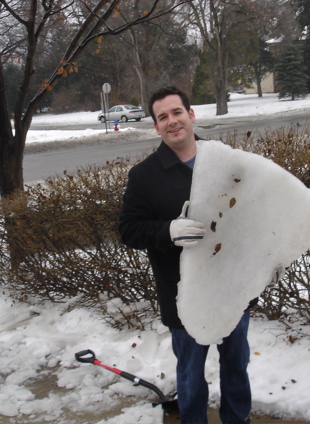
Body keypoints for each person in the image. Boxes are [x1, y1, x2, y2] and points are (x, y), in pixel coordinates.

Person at [118, 86, 252, 424]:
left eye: (177, 112)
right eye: (162, 117)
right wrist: (167, 231)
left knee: (236, 364)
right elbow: (129, 230)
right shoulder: (144, 176)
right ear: (156, 127)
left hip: (231, 287)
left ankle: (239, 419)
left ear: (191, 115)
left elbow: (252, 213)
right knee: (191, 373)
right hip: (183, 295)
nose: (172, 121)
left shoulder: (224, 160)